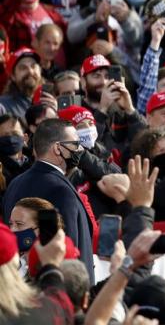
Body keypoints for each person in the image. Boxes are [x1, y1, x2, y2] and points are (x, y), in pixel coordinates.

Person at [2, 118, 95, 282]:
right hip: (60, 290)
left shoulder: (15, 184)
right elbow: (67, 250)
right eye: (75, 144)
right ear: (58, 148)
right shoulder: (60, 190)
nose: (79, 149)